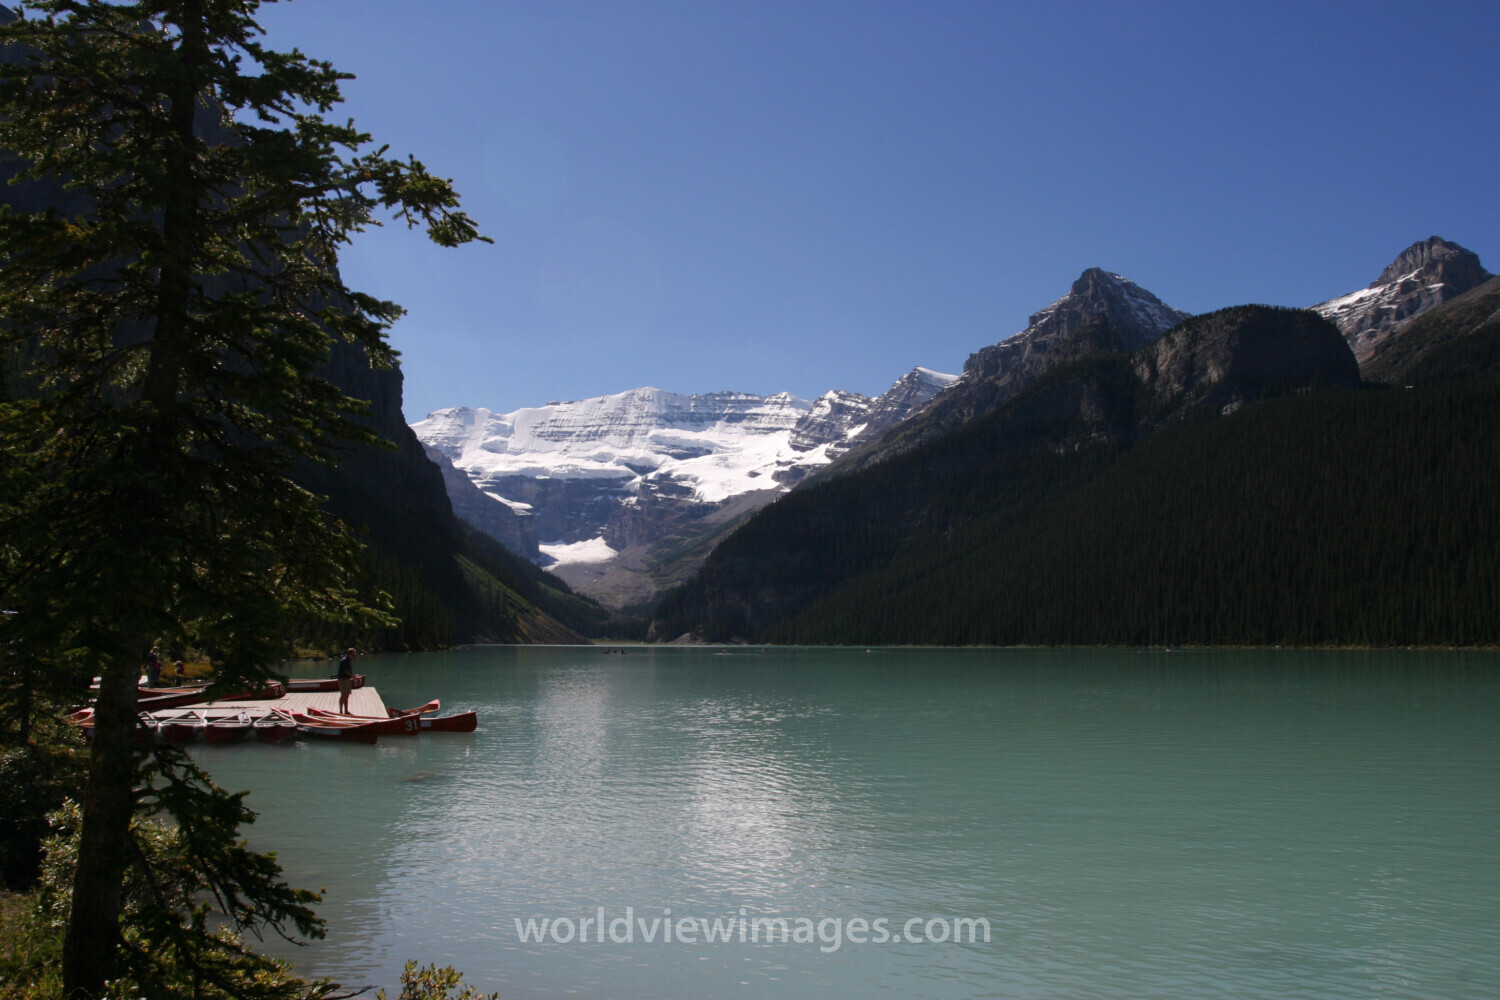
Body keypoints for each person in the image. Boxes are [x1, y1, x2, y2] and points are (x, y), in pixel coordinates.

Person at [336, 647, 357, 714]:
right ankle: (341, 710)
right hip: (343, 679)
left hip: (347, 679)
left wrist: (351, 676)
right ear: (349, 653)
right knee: (344, 694)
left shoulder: (348, 660)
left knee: (347, 694)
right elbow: (345, 671)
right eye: (353, 654)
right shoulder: (344, 660)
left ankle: (346, 711)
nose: (354, 655)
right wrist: (352, 676)